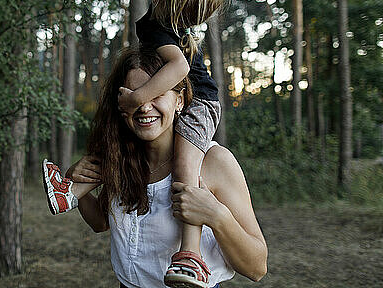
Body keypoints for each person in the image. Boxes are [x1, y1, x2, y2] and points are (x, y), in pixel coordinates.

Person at [44, 0, 228, 287]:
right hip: (168, 93)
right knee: (116, 130)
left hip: (198, 103)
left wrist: (139, 97)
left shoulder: (168, 33)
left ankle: (191, 254)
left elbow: (179, 67)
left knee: (185, 170)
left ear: (175, 4)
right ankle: (70, 190)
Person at [43, 47, 267, 288]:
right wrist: (75, 184)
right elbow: (100, 222)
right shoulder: (120, 157)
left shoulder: (214, 161)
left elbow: (257, 268)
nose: (144, 106)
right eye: (135, 94)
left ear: (179, 100)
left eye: (156, 93)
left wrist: (217, 216)